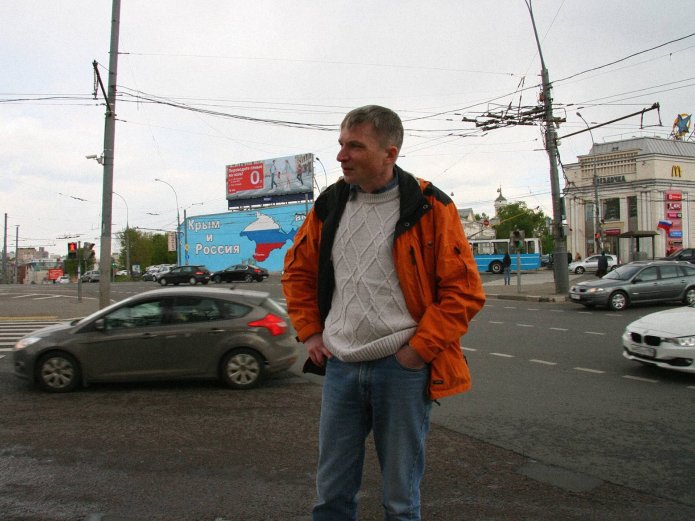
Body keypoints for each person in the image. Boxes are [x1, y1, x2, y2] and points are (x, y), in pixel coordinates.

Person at [281, 105, 486, 521]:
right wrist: (312, 333)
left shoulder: (430, 206)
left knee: (399, 499)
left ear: (390, 153)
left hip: (402, 369)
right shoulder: (330, 204)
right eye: (341, 144)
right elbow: (297, 272)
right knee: (331, 495)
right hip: (341, 365)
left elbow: (463, 292)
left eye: (354, 146)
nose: (341, 156)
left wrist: (416, 352)